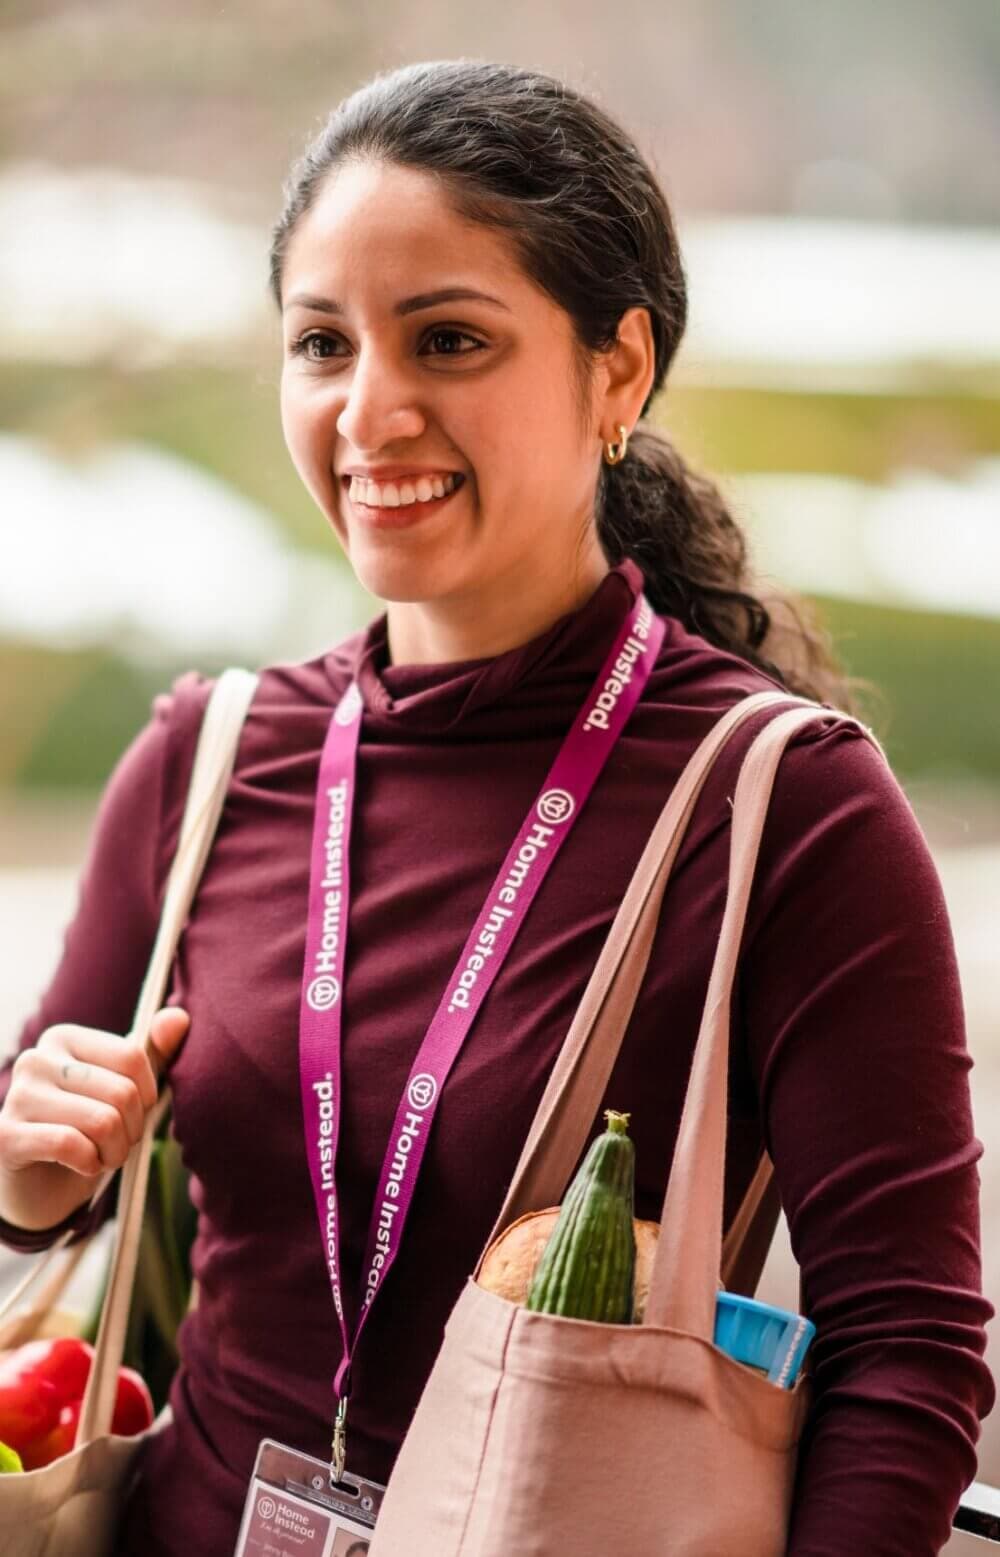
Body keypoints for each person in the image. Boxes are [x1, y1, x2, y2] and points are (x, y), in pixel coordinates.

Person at [0, 58, 993, 1557]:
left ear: (618, 371)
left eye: (449, 339)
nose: (369, 411)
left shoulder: (786, 808)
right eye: (322, 342)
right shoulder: (207, 763)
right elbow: (41, 1186)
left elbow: (907, 1352)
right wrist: (31, 1176)